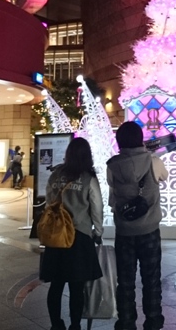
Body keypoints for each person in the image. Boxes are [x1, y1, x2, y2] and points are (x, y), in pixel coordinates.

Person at [107, 121, 169, 330]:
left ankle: (126, 321)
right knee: (151, 278)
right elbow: (164, 176)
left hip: (124, 231)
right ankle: (152, 320)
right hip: (149, 230)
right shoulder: (153, 162)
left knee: (125, 280)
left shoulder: (112, 166)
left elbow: (112, 196)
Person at [40, 138, 103, 330]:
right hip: (80, 236)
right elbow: (96, 207)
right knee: (77, 286)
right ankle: (75, 325)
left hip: (56, 237)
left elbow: (49, 201)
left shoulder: (56, 174)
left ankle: (56, 325)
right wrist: (98, 231)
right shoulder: (88, 178)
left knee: (56, 285)